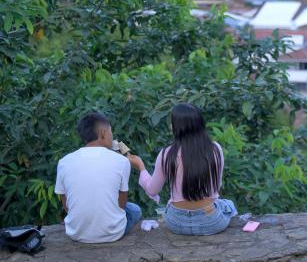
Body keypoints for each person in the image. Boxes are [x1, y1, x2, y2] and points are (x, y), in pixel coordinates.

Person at [127, 104, 237, 235]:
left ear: (176, 127)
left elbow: (152, 190)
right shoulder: (215, 149)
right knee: (228, 205)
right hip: (211, 221)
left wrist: (141, 167)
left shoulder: (167, 154)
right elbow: (217, 185)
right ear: (201, 125)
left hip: (176, 223)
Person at [55, 112, 142, 243]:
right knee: (134, 209)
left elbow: (66, 205)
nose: (112, 136)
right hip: (112, 233)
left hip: (76, 232)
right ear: (103, 133)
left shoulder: (64, 162)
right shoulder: (121, 161)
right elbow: (122, 205)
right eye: (110, 132)